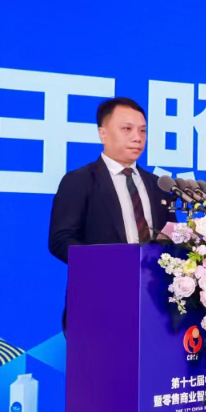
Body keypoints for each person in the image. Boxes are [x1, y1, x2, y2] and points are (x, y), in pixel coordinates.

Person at [49, 97, 173, 326]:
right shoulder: (79, 180)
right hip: (99, 304)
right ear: (102, 134)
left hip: (155, 306)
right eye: (127, 129)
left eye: (143, 130)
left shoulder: (159, 186)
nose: (137, 138)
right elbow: (60, 240)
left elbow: (171, 238)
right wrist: (112, 266)